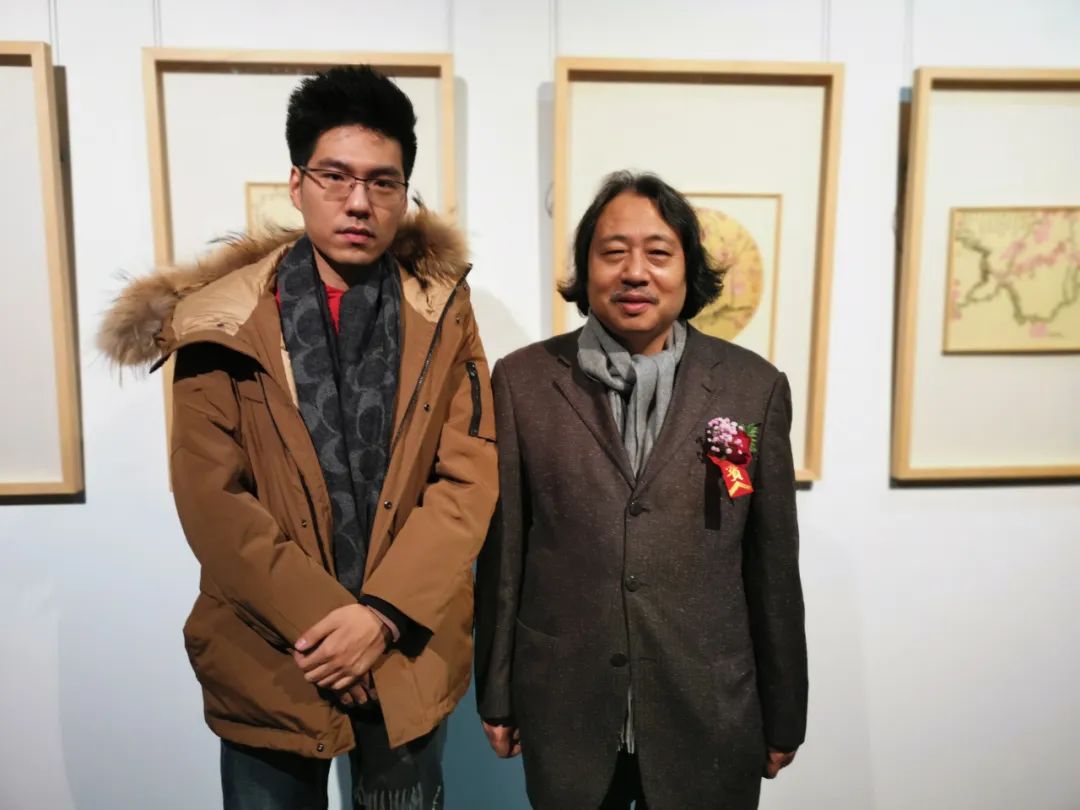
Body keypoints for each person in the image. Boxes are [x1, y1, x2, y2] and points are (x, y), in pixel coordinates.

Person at [98, 65, 497, 810]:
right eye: (335, 176)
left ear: (404, 192)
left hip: (406, 646)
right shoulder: (219, 320)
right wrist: (327, 626)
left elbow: (468, 473)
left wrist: (381, 616)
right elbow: (212, 498)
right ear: (296, 182)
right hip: (271, 656)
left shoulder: (444, 309)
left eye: (383, 182)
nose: (359, 201)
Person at [475, 171, 807, 809]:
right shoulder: (523, 382)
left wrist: (784, 710)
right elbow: (505, 552)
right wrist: (497, 692)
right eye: (613, 252)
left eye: (658, 253)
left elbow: (772, 566)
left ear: (688, 270)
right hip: (566, 704)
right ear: (586, 268)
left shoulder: (751, 388)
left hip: (708, 710)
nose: (635, 272)